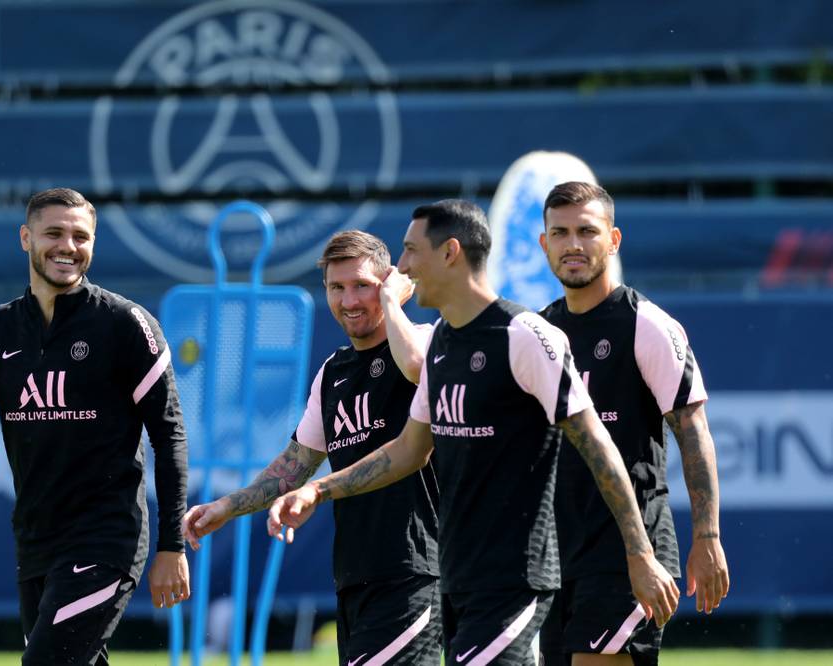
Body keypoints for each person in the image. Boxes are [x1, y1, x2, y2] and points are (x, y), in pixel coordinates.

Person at [267, 200, 680, 665]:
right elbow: (406, 451)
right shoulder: (444, 342)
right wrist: (318, 490)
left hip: (515, 579)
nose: (401, 268)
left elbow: (598, 447)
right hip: (459, 580)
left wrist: (640, 553)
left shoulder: (524, 333)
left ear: (450, 253)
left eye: (410, 251)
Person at [0, 188, 190, 665]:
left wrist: (171, 546)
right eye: (54, 233)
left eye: (81, 236)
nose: (68, 246)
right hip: (35, 541)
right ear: (25, 237)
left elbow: (169, 435)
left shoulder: (126, 324)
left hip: (106, 539)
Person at [182, 230, 442, 665]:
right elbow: (295, 464)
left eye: (363, 285)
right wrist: (227, 506)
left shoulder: (427, 341)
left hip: (414, 568)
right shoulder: (333, 372)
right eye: (336, 288)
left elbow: (416, 368)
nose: (350, 301)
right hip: (355, 574)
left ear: (392, 281)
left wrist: (395, 303)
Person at [537, 181, 730, 666]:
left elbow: (693, 431)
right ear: (544, 243)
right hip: (553, 555)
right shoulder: (538, 332)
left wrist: (707, 537)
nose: (573, 245)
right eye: (560, 233)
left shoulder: (646, 324)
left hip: (628, 548)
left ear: (614, 239)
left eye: (587, 231)